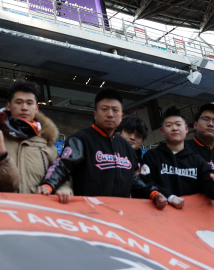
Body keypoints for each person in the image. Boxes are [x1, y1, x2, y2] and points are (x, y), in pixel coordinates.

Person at [36, 87, 167, 209]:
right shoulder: (81, 139)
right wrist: (48, 185)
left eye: (115, 110)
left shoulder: (126, 146)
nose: (110, 114)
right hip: (88, 212)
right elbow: (62, 165)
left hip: (120, 214)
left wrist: (153, 194)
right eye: (104, 109)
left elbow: (133, 179)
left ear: (121, 116)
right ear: (95, 114)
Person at [140, 107, 214, 208]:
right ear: (162, 131)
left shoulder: (197, 161)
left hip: (190, 218)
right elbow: (145, 182)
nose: (174, 128)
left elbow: (213, 192)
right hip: (159, 216)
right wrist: (170, 197)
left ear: (186, 129)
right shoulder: (152, 156)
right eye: (169, 125)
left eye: (178, 124)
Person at [0, 79, 59, 193]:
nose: (24, 107)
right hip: (4, 208)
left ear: (36, 108)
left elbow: (62, 176)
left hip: (37, 208)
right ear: (8, 106)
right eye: (19, 102)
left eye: (29, 103)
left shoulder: (47, 144)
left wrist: (63, 189)